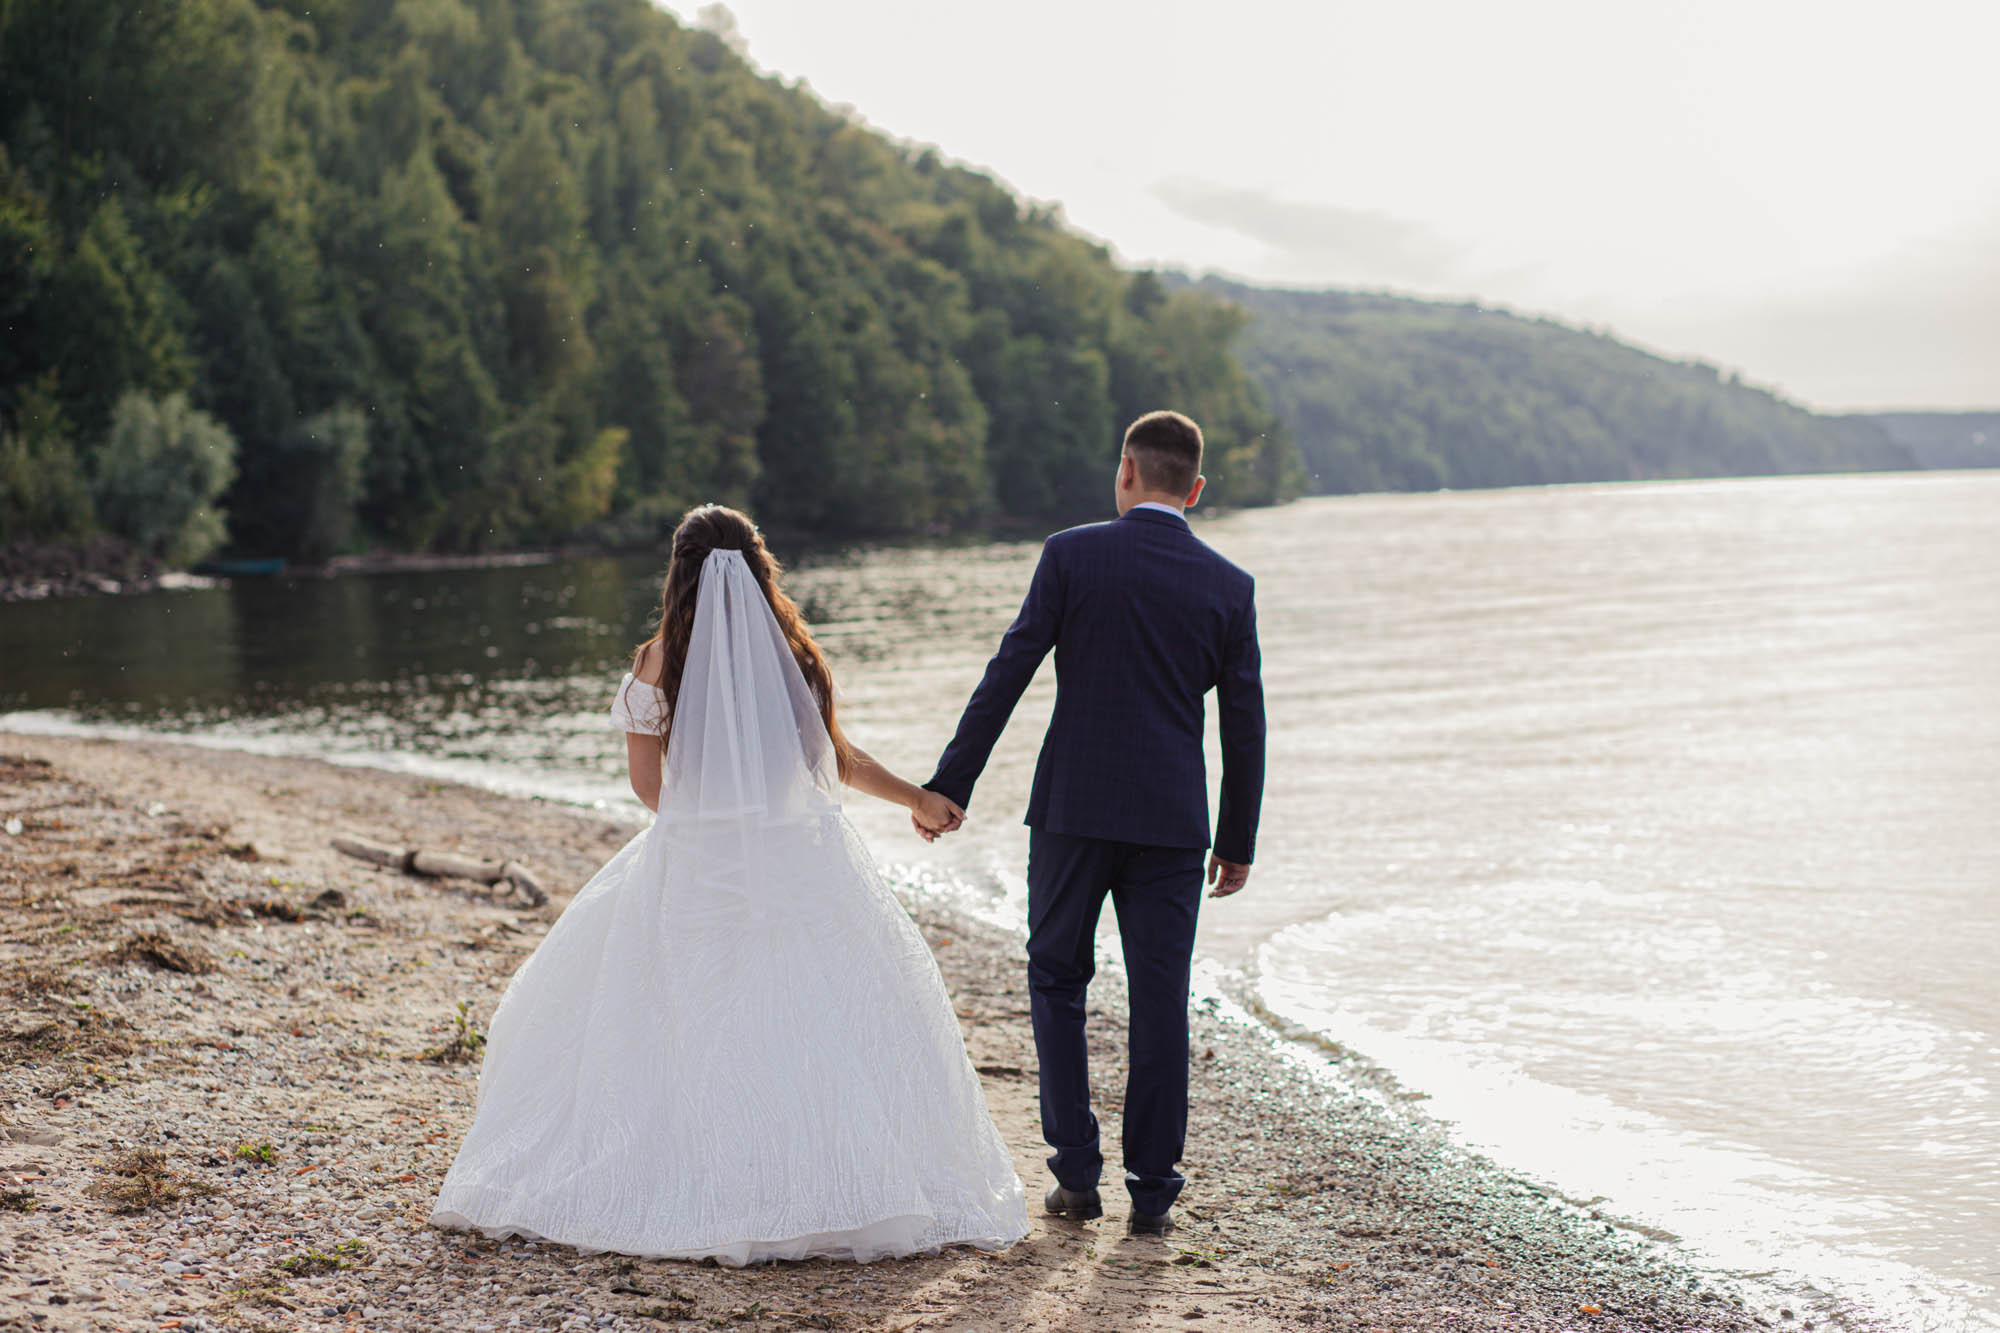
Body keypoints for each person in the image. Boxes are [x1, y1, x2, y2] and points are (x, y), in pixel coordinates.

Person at [431, 505, 1028, 1264]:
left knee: (694, 1017)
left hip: (698, 866)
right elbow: (835, 760)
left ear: (678, 573)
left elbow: (651, 791)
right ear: (759, 568)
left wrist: (715, 806)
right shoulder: (798, 658)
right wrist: (917, 797)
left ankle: (712, 1181)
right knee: (812, 1016)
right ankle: (829, 1184)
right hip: (801, 863)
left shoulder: (655, 662)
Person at [923, 410, 1266, 1237]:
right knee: (1159, 999)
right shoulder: (1229, 585)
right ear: (1196, 488)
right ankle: (1153, 1191)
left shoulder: (1070, 554)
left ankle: (1076, 1174)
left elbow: (1009, 669)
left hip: (1073, 811)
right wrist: (1237, 839)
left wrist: (950, 783)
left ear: (1125, 472)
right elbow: (1245, 725)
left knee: (1056, 979)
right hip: (1174, 826)